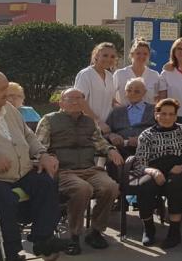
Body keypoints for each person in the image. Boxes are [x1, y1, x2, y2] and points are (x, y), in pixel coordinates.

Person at [0, 70, 67, 261]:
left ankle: (42, 239)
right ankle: (10, 252)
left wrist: (42, 154)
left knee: (45, 183)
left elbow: (28, 135)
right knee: (5, 200)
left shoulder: (9, 109)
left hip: (22, 171)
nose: (7, 93)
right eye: (2, 89)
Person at [36, 88, 124, 254]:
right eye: (71, 98)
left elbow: (100, 143)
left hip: (89, 168)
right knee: (83, 189)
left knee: (111, 187)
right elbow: (39, 147)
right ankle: (74, 235)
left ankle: (96, 231)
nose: (76, 101)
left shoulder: (90, 122)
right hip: (63, 170)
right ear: (61, 102)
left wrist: (111, 149)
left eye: (80, 98)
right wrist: (46, 158)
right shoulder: (49, 120)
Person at [132, 97, 182, 248]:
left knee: (174, 183)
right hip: (155, 169)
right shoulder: (146, 135)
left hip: (179, 169)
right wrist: (153, 171)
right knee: (145, 186)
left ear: (176, 115)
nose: (167, 117)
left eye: (171, 114)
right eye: (163, 113)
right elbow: (140, 163)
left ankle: (174, 232)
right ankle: (149, 229)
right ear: (156, 114)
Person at [74, 41, 120, 132]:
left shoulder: (110, 76)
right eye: (105, 55)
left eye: (112, 57)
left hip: (107, 127)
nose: (108, 59)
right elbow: (80, 101)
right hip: (88, 127)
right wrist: (98, 122)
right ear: (96, 56)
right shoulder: (85, 74)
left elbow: (111, 100)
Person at [106, 78, 156, 154]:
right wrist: (111, 135)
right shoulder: (117, 111)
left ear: (144, 92)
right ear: (125, 93)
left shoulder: (154, 110)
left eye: (137, 91)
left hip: (148, 150)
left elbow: (162, 131)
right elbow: (104, 133)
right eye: (129, 90)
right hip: (120, 151)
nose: (132, 93)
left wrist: (142, 139)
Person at [114, 38, 161, 104]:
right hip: (124, 113)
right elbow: (111, 97)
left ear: (149, 56)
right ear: (132, 54)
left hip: (147, 114)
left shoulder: (154, 75)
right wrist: (120, 110)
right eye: (138, 53)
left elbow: (157, 98)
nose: (142, 56)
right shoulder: (119, 74)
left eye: (145, 54)